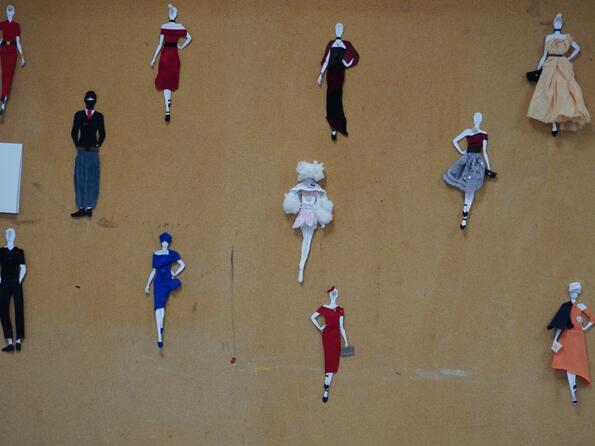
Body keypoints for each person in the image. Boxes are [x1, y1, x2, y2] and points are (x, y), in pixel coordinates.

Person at [527, 13, 591, 136]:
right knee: (549, 93)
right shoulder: (554, 37)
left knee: (562, 92)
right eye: (557, 22)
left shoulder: (559, 37)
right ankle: (553, 124)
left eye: (558, 22)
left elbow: (577, 48)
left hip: (559, 65)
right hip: (552, 65)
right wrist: (538, 69)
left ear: (558, 24)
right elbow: (545, 55)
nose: (557, 24)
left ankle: (556, 122)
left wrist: (568, 58)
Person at [443, 112, 496, 230]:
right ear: (478, 120)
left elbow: (484, 152)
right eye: (476, 119)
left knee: (470, 187)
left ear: (476, 120)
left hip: (473, 161)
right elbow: (455, 141)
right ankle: (465, 214)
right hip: (470, 160)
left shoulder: (480, 133)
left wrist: (489, 168)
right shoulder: (474, 132)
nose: (476, 120)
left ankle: (465, 214)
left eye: (476, 119)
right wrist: (462, 152)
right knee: (470, 187)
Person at [283, 161, 333, 283]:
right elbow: (293, 194)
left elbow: (322, 203)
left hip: (311, 216)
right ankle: (301, 266)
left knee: (307, 240)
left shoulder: (317, 190)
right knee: (306, 241)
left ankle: (301, 266)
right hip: (303, 216)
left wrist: (322, 218)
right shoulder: (303, 188)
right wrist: (293, 205)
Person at [548, 282, 594, 406]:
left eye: (576, 292)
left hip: (577, 338)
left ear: (578, 294)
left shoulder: (580, 306)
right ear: (570, 293)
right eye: (573, 292)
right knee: (569, 364)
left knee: (576, 363)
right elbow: (560, 325)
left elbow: (593, 318)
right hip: (567, 337)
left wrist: (584, 328)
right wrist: (555, 339)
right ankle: (573, 391)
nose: (575, 294)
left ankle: (573, 391)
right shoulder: (565, 306)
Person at [317, 23, 359, 141]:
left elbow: (355, 57)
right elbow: (326, 60)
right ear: (335, 31)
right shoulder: (331, 44)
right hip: (331, 74)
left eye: (340, 29)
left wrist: (346, 63)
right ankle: (333, 128)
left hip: (339, 73)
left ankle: (339, 126)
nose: (338, 30)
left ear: (342, 31)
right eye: (337, 29)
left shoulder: (347, 44)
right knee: (330, 100)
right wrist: (321, 75)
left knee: (337, 99)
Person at [150, 3, 192, 122]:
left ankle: (167, 108)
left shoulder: (164, 26)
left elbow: (160, 44)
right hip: (174, 55)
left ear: (169, 15)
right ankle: (168, 105)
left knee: (164, 81)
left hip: (165, 56)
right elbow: (189, 38)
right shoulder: (179, 27)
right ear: (176, 15)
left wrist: (154, 59)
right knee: (170, 80)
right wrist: (181, 46)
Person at [144, 232, 185, 348]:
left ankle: (161, 325)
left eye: (167, 242)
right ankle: (159, 336)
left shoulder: (172, 254)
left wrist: (175, 274)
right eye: (163, 242)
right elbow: (153, 271)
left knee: (162, 306)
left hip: (167, 280)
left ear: (169, 243)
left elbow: (182, 265)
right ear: (161, 242)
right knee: (158, 306)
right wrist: (147, 284)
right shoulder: (156, 254)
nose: (165, 244)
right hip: (158, 282)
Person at [70, 91, 106, 218]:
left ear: (95, 101)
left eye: (92, 100)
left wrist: (97, 144)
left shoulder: (99, 116)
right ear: (84, 100)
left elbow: (102, 133)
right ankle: (81, 207)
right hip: (81, 151)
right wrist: (77, 144)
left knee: (93, 178)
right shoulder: (79, 115)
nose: (90, 102)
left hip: (93, 151)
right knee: (79, 177)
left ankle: (89, 207)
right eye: (88, 99)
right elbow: (74, 132)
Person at [310, 286, 349, 403]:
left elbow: (341, 327)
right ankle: (326, 388)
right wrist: (320, 327)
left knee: (333, 361)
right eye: (332, 292)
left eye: (335, 292)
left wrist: (346, 341)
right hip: (327, 336)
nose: (334, 294)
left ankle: (326, 387)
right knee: (329, 359)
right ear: (330, 295)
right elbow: (312, 317)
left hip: (336, 337)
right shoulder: (324, 307)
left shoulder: (340, 309)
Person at [0, 228, 26, 352]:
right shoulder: (1, 251)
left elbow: (23, 267)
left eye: (12, 233)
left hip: (16, 282)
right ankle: (10, 341)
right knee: (3, 310)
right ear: (5, 235)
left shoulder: (19, 251)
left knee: (19, 309)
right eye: (8, 233)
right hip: (4, 283)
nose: (10, 235)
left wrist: (19, 280)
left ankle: (18, 340)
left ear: (15, 236)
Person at [0, 4, 25, 116]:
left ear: (13, 13)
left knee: (9, 74)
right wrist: (1, 41)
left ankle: (4, 97)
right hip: (4, 50)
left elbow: (18, 42)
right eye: (8, 10)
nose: (10, 12)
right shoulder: (2, 24)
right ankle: (4, 97)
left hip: (12, 51)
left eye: (11, 11)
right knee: (5, 73)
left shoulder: (16, 25)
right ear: (6, 12)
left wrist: (22, 56)